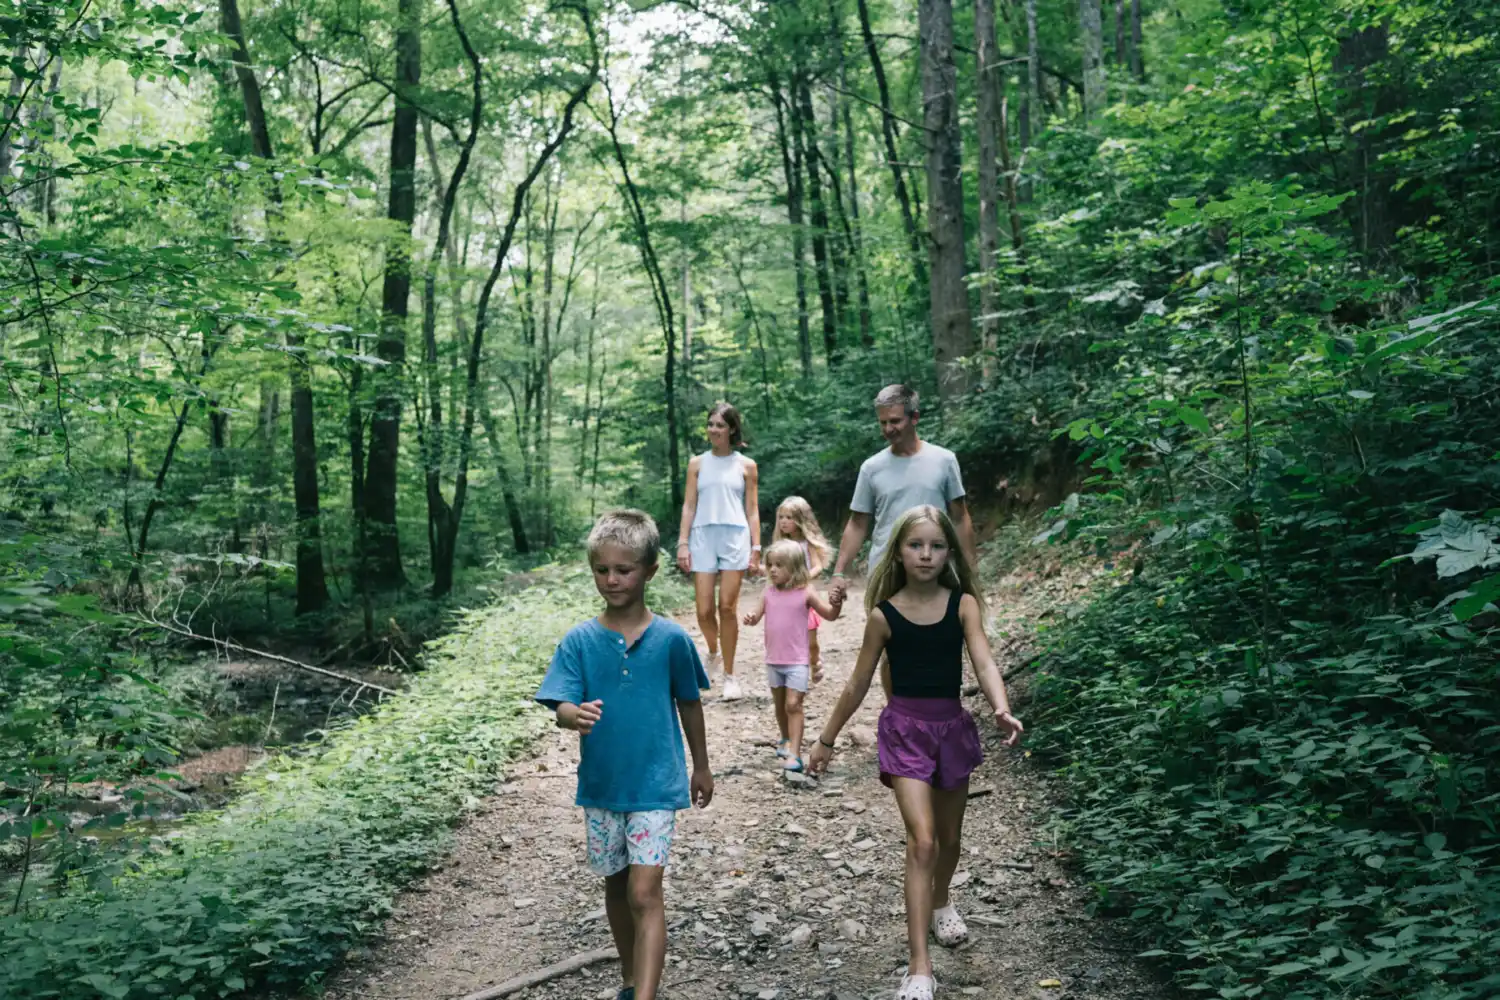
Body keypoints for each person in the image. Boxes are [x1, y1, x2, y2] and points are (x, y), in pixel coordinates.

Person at [808, 506, 1022, 1000]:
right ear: (899, 553)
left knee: (949, 839)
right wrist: (826, 739)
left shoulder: (963, 605)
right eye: (915, 545)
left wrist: (1001, 707)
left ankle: (941, 900)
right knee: (922, 842)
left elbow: (984, 661)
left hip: (952, 731)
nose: (926, 554)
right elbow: (858, 683)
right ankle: (919, 967)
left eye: (936, 546)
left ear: (948, 553)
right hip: (904, 732)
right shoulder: (883, 616)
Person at [535, 509, 714, 1000]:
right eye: (602, 569)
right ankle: (631, 979)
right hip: (602, 787)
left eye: (624, 569)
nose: (611, 580)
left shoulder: (672, 640)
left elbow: (690, 702)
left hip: (656, 784)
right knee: (616, 885)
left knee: (644, 891)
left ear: (650, 570)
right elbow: (560, 703)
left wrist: (701, 765)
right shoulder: (579, 641)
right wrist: (572, 715)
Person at [827, 384, 976, 700]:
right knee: (891, 647)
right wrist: (839, 571)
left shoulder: (944, 460)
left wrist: (969, 568)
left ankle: (939, 711)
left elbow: (960, 517)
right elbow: (858, 522)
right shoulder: (872, 468)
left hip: (937, 564)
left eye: (895, 421)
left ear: (915, 417)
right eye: (882, 422)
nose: (888, 429)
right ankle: (899, 713)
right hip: (887, 568)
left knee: (942, 641)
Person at [676, 402, 761, 700]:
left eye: (720, 425)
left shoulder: (746, 465)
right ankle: (713, 651)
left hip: (735, 536)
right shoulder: (696, 464)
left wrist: (756, 547)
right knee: (703, 611)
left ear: (732, 429)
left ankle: (730, 675)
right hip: (702, 535)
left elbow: (752, 509)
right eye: (711, 424)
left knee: (727, 607)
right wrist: (683, 542)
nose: (714, 430)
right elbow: (689, 505)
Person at [741, 540, 841, 773]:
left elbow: (829, 614)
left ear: (795, 567)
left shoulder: (805, 592)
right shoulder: (768, 593)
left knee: (793, 704)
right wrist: (750, 617)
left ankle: (795, 754)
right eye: (770, 565)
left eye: (779, 565)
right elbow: (756, 615)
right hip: (773, 660)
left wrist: (836, 604)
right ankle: (785, 737)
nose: (773, 570)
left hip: (797, 662)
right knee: (780, 706)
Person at [771, 495, 834, 684]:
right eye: (781, 517)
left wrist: (802, 578)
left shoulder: (807, 544)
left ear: (800, 520)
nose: (783, 521)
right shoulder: (780, 547)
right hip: (784, 600)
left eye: (789, 517)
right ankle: (792, 671)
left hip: (804, 597)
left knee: (811, 642)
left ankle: (815, 661)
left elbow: (817, 567)